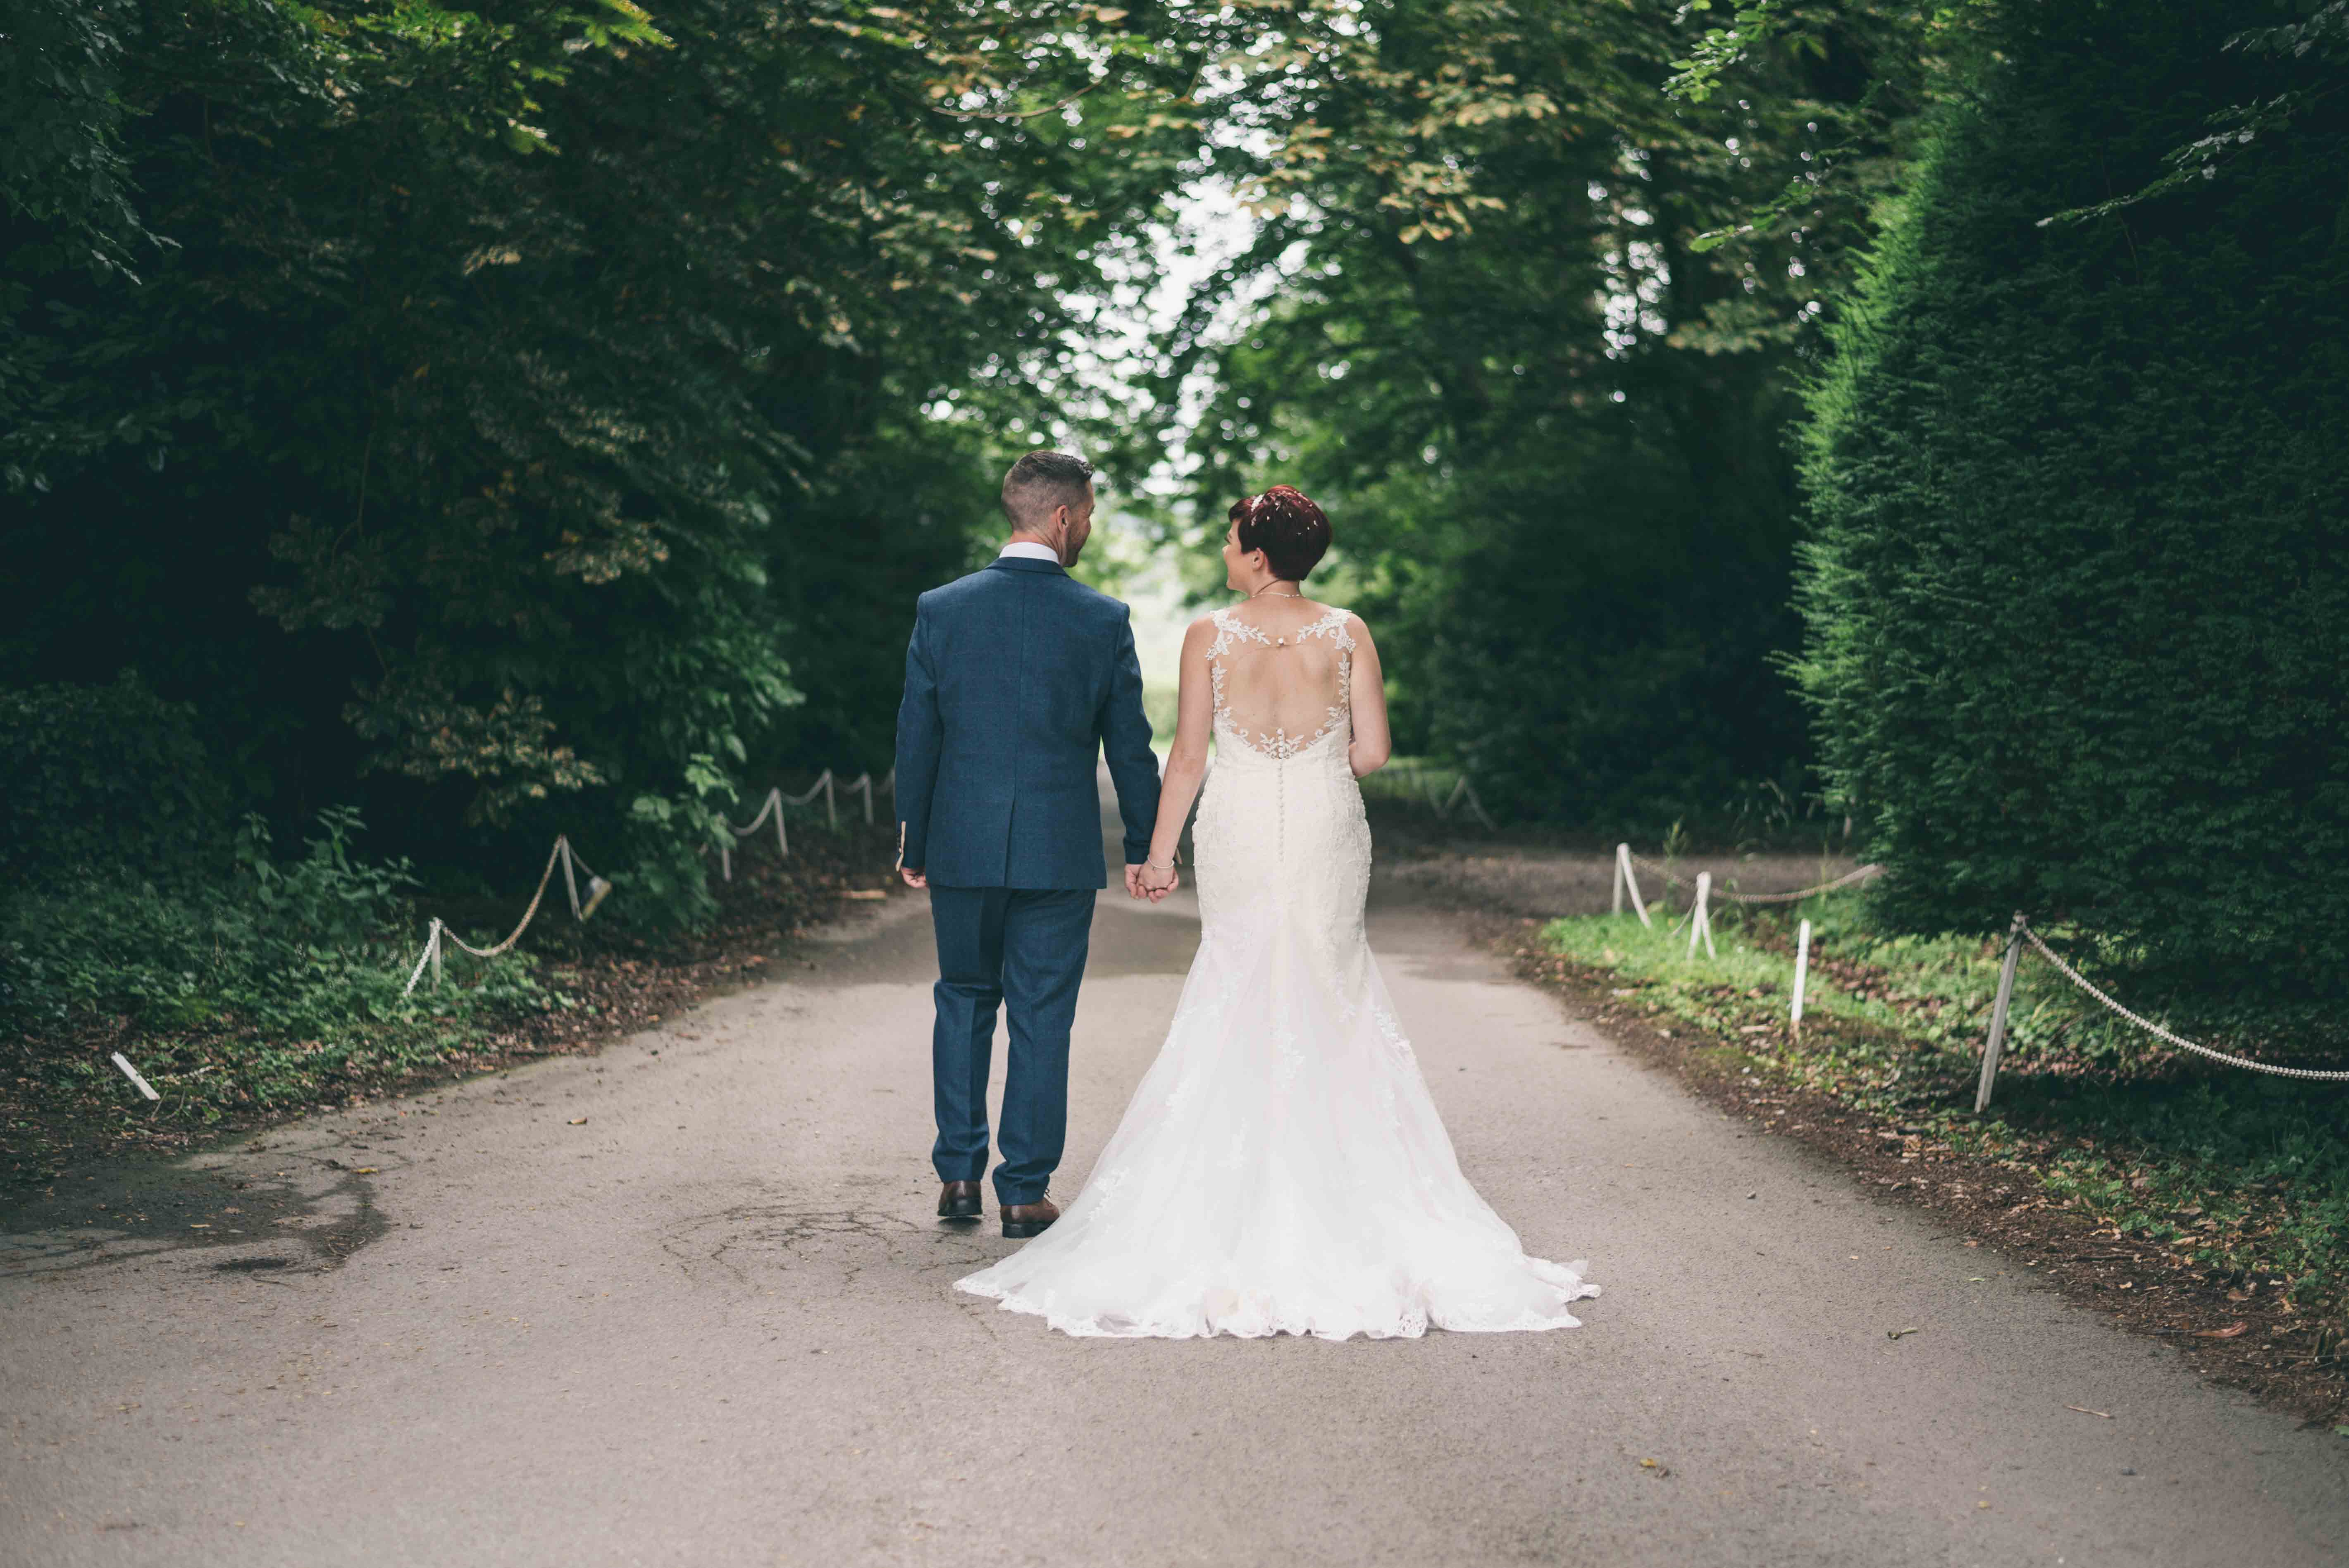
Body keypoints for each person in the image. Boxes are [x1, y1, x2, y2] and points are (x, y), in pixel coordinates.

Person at [955, 485, 1599, 1338]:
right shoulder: (1348, 632)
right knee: (1332, 983)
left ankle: (1227, 1197)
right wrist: (1318, 763)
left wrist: (1156, 855)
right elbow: (1371, 750)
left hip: (1243, 824)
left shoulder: (1209, 636)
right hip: (1329, 821)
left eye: (1231, 541)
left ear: (1258, 555)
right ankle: (1355, 1192)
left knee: (1239, 975)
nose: (1226, 552)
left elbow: (1186, 756)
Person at [893, 450, 1161, 1239]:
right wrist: (1146, 845)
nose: (1086, 534)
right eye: (1088, 520)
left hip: (962, 847)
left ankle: (957, 1177)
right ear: (1063, 519)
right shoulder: (1103, 618)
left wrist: (915, 837)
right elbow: (1131, 748)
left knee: (964, 998)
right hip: (1057, 852)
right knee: (1043, 1016)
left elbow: (918, 734)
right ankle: (1023, 1190)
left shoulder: (941, 608)